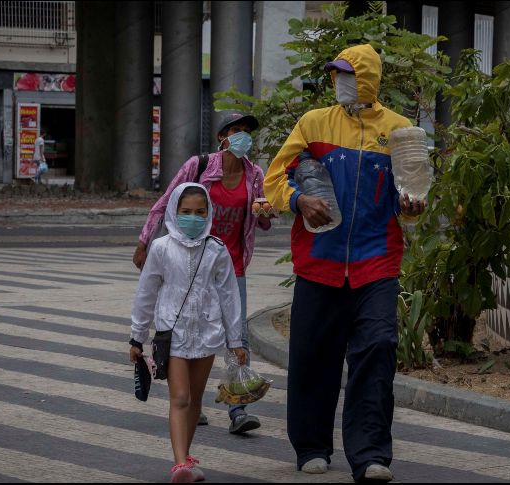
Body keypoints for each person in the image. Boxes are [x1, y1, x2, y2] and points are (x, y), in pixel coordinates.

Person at [263, 44, 426, 483]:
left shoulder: (399, 129)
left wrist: (412, 207)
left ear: (368, 78)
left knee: (378, 348)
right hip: (320, 262)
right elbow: (276, 178)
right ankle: (311, 446)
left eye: (348, 74)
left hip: (377, 262)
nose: (340, 82)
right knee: (313, 356)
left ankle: (371, 455)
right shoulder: (313, 123)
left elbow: (409, 193)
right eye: (336, 74)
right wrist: (299, 201)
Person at [133, 112, 273, 434]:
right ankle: (192, 403)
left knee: (238, 334)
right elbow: (166, 202)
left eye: (247, 131)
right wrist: (144, 241)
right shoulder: (199, 166)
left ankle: (239, 408)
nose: (243, 137)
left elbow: (263, 221)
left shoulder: (254, 174)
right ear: (222, 136)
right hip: (191, 260)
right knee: (191, 328)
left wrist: (265, 210)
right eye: (236, 130)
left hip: (232, 263)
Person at [129, 182, 248, 483]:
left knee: (195, 400)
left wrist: (236, 340)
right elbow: (146, 293)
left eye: (199, 212)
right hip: (173, 334)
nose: (192, 218)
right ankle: (180, 464)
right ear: (174, 211)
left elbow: (229, 296)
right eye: (186, 211)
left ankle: (186, 457)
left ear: (209, 213)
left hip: (208, 334)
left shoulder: (217, 249)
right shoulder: (161, 248)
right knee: (180, 397)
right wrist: (137, 336)